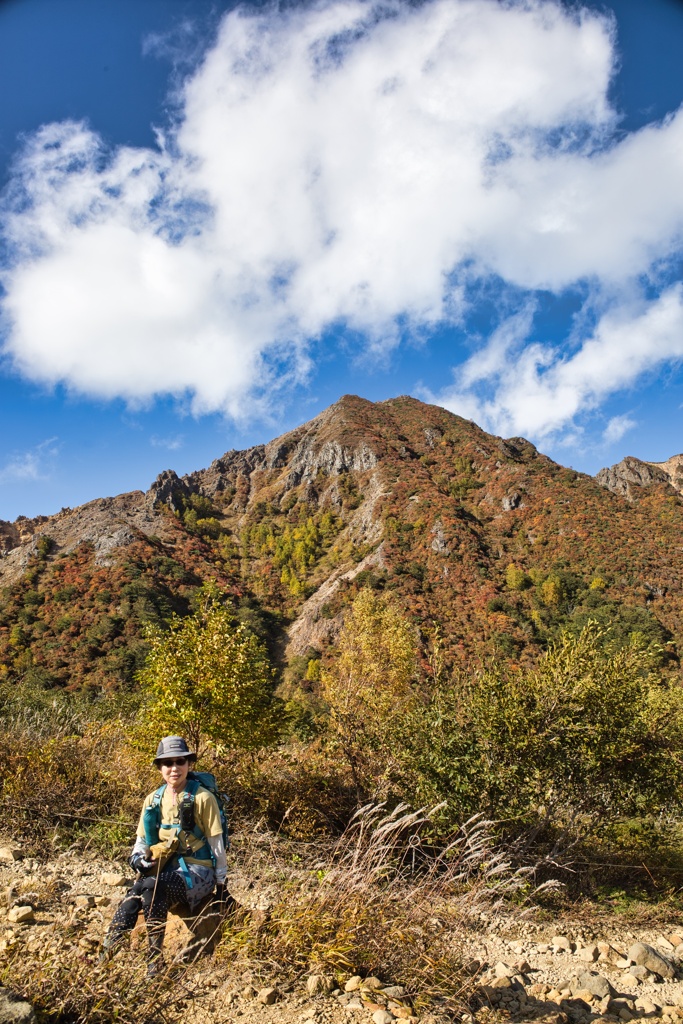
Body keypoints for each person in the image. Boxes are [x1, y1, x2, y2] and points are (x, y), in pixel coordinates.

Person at [102, 736, 228, 975]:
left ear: (188, 764)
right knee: (138, 892)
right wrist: (138, 859)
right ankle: (108, 953)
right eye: (167, 763)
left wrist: (221, 883)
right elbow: (141, 842)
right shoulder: (153, 800)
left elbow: (216, 844)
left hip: (199, 872)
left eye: (180, 761)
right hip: (166, 870)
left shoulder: (203, 798)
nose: (174, 768)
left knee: (151, 886)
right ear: (160, 767)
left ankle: (153, 962)